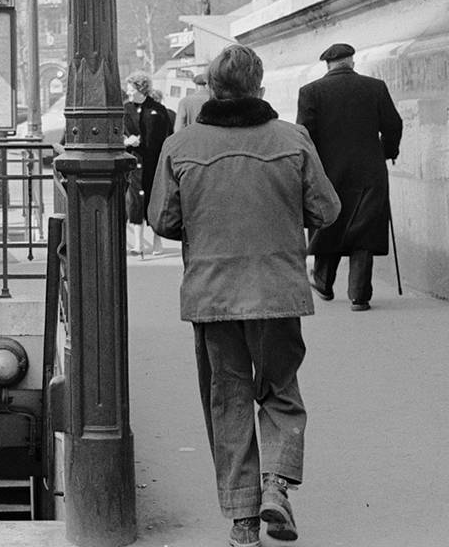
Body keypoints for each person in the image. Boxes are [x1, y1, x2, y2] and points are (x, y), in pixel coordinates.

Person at [148, 44, 340, 547]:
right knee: (279, 389)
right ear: (258, 88)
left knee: (227, 398)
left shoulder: (182, 145)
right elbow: (326, 209)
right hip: (277, 289)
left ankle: (242, 519)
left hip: (212, 295)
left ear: (212, 89)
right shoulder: (291, 138)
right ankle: (276, 483)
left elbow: (163, 220)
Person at [297, 43, 403, 312]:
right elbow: (393, 125)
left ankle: (323, 281)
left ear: (328, 65)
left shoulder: (310, 92)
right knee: (364, 228)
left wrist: (306, 169)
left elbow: (304, 136)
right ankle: (360, 295)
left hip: (328, 172)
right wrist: (387, 151)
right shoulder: (375, 87)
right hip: (370, 171)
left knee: (328, 222)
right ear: (352, 62)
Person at [123, 70, 171, 256]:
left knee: (154, 201)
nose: (128, 92)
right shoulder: (125, 110)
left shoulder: (158, 110)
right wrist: (127, 141)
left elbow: (167, 135)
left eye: (130, 88)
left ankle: (157, 242)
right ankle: (137, 244)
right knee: (135, 202)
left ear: (140, 89)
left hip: (153, 163)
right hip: (134, 164)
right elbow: (117, 133)